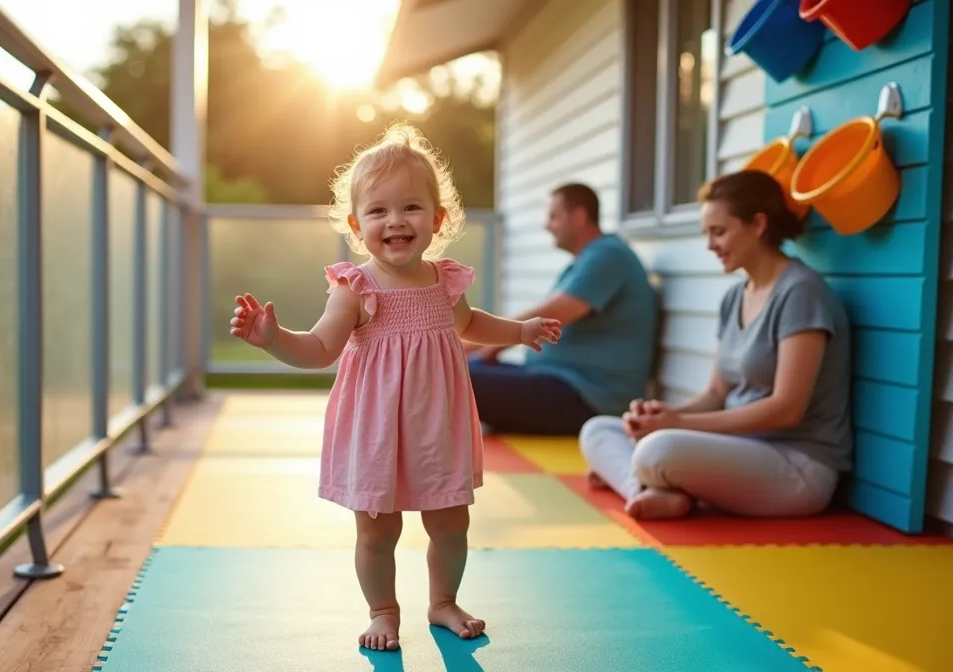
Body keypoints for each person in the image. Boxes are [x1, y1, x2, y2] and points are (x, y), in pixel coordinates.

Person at [228, 123, 561, 652]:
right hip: (377, 429)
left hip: (438, 425)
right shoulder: (355, 287)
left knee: (451, 523)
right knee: (377, 532)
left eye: (410, 207)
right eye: (378, 211)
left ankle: (443, 601)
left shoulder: (443, 281)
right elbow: (318, 350)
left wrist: (519, 331)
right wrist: (274, 339)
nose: (395, 221)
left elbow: (470, 324)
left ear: (437, 219)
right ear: (358, 226)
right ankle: (383, 611)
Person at [578, 169, 852, 521]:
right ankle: (648, 491)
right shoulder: (734, 298)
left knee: (657, 450)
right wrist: (661, 416)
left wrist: (678, 425)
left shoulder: (801, 293)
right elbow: (715, 392)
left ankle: (643, 480)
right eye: (707, 233)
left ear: (758, 224)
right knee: (598, 429)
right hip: (741, 451)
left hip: (797, 466)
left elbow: (787, 409)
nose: (710, 245)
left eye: (719, 232)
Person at [468, 183, 658, 436]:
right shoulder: (593, 257)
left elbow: (553, 314)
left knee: (455, 376)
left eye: (553, 217)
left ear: (579, 216)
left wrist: (487, 344)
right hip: (554, 378)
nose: (548, 225)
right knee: (460, 369)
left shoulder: (608, 256)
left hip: (587, 397)